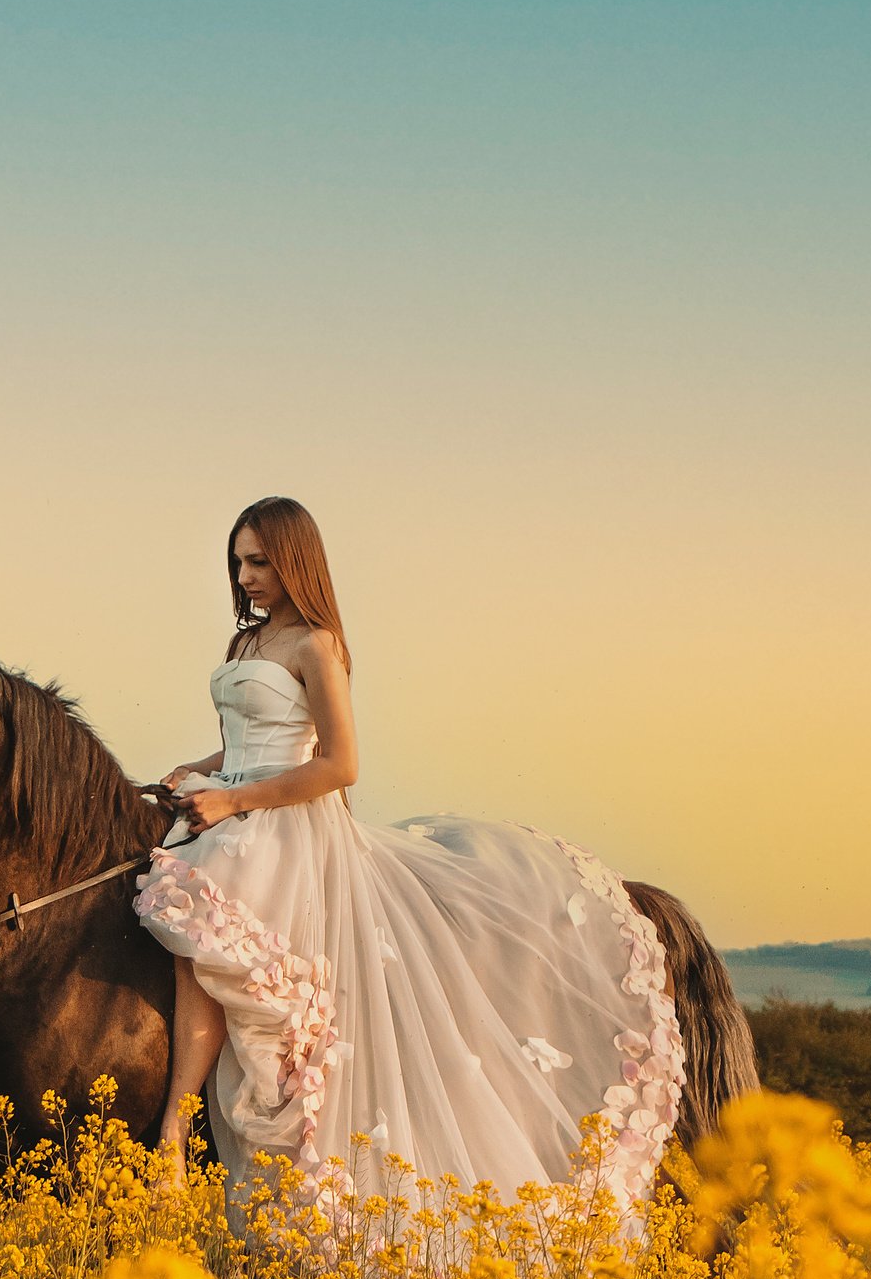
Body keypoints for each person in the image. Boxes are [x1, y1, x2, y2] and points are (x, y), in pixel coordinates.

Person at [135, 497, 690, 1220]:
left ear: (296, 561)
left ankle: (175, 1131)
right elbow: (247, 741)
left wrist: (238, 803)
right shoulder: (245, 646)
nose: (245, 577)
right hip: (232, 802)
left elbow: (339, 764)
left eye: (261, 562)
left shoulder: (317, 644)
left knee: (202, 943)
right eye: (239, 562)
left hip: (286, 825)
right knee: (172, 917)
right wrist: (198, 768)